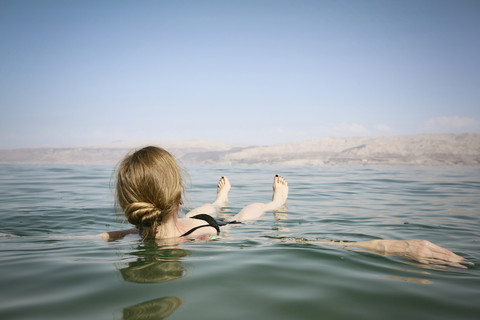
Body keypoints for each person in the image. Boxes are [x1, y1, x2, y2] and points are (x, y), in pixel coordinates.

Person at [99, 146, 470, 268]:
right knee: (247, 214)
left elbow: (101, 236)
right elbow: (302, 244)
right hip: (208, 225)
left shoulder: (130, 232)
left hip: (191, 220)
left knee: (212, 205)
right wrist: (389, 246)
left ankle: (222, 198)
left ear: (126, 204)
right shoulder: (199, 241)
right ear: (178, 196)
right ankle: (275, 203)